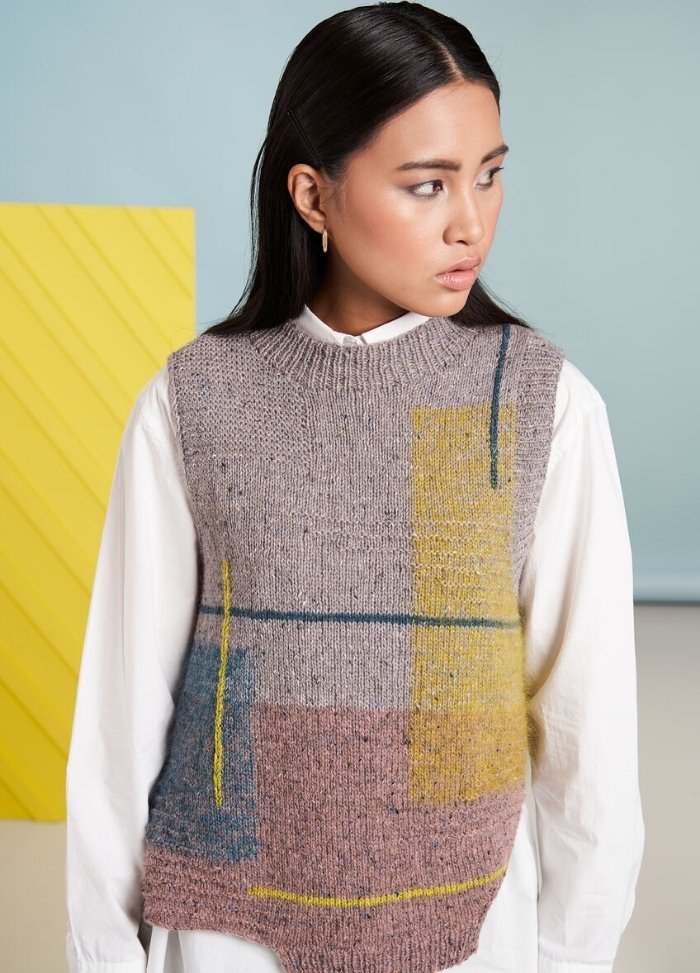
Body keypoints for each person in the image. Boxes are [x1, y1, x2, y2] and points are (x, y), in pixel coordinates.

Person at [64, 3, 644, 972]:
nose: (471, 222)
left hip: (468, 940)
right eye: (427, 184)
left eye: (489, 174)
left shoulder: (540, 404)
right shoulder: (196, 400)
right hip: (228, 938)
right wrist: (105, 956)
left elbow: (589, 745)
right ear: (312, 195)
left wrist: (572, 958)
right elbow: (120, 724)